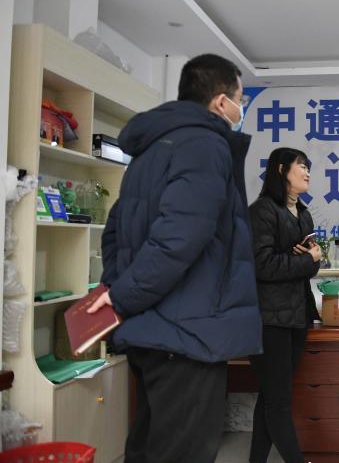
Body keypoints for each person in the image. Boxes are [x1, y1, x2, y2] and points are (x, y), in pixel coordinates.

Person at [89, 54, 263, 463]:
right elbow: (179, 239)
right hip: (187, 336)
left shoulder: (150, 151)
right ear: (221, 102)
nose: (241, 108)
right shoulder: (205, 145)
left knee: (150, 447)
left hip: (150, 332)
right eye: (240, 99)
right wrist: (122, 296)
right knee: (183, 452)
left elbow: (114, 232)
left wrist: (118, 291)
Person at [248, 147, 322, 463]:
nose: (307, 172)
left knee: (270, 396)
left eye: (308, 167)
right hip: (268, 319)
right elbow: (261, 265)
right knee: (278, 402)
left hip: (296, 316)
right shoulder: (262, 212)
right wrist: (306, 260)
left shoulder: (303, 214)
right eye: (301, 166)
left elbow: (310, 266)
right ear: (281, 170)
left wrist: (312, 258)